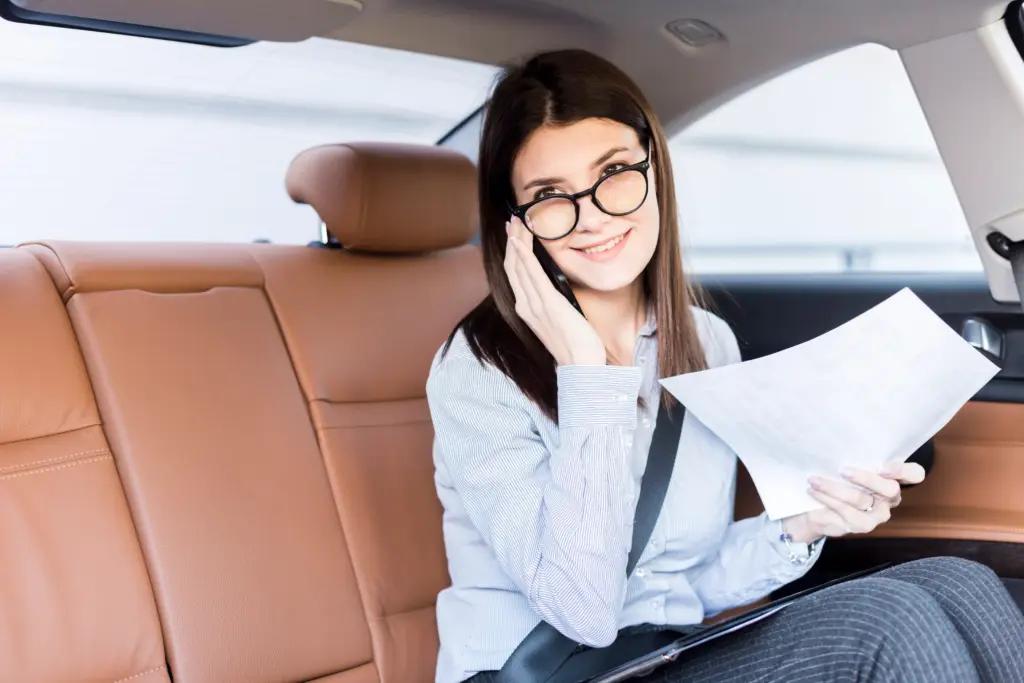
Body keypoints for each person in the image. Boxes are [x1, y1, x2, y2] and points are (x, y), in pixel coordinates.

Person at [425, 48, 1024, 683]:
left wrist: (804, 524)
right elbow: (586, 614)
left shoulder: (703, 339)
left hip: (663, 653)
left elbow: (685, 582)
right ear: (516, 224)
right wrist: (586, 374)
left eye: (615, 172)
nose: (594, 215)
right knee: (890, 619)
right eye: (550, 196)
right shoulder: (477, 371)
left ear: (655, 170)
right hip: (546, 672)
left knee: (960, 583)